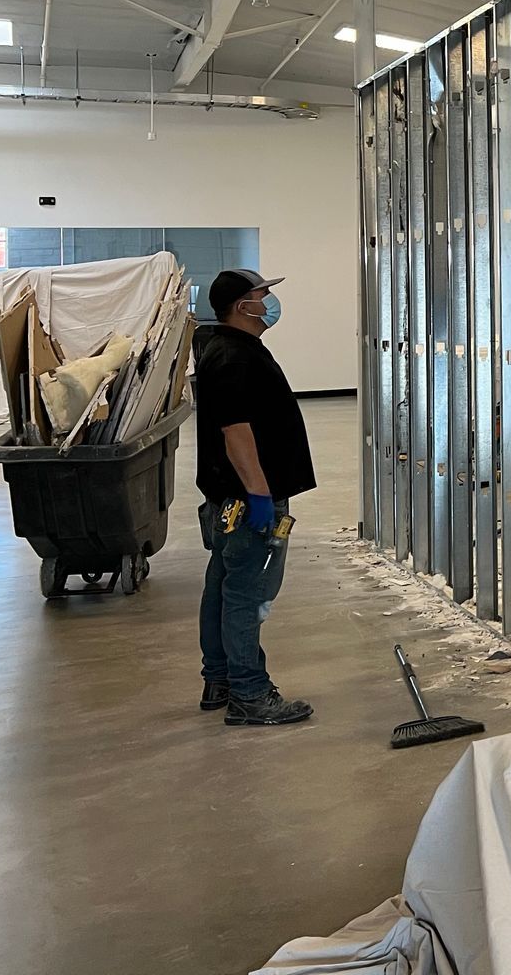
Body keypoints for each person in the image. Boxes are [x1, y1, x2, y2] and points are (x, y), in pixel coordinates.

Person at [192, 268, 315, 727]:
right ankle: (249, 693)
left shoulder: (230, 349)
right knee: (247, 593)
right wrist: (260, 495)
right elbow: (236, 433)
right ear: (243, 305)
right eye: (263, 295)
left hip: (231, 499)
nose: (269, 303)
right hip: (247, 501)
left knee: (222, 587)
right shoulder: (233, 357)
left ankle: (220, 679)